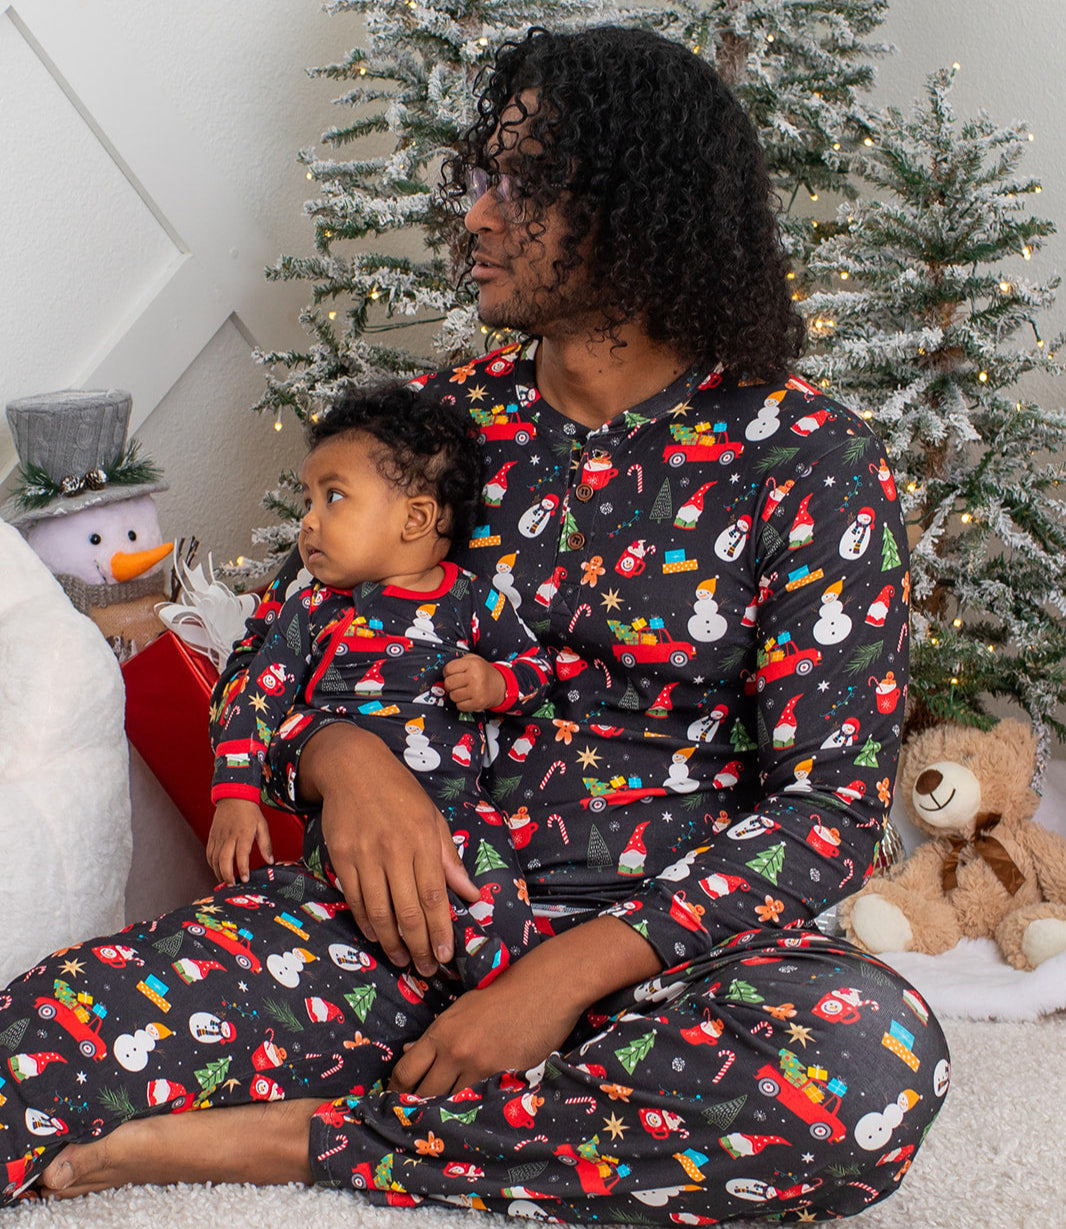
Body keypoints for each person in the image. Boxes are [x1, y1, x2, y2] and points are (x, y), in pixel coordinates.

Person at [1, 25, 949, 1222]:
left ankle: (302, 1142)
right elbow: (275, 666)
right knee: (41, 1037)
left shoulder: (808, 457)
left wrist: (562, 975)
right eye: (481, 177)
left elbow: (828, 804)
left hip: (678, 959)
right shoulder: (433, 430)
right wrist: (345, 763)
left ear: (632, 204)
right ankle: (472, 1100)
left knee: (859, 1068)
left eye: (523, 182)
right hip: (397, 924)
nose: (478, 218)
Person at [206, 383, 554, 992]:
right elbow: (257, 695)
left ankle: (498, 1026)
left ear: (416, 518)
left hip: (457, 814)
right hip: (342, 830)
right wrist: (235, 792)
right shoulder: (310, 609)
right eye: (307, 501)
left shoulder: (469, 599)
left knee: (499, 923)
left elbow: (536, 669)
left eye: (333, 497)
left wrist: (497, 682)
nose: (308, 521)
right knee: (320, 917)